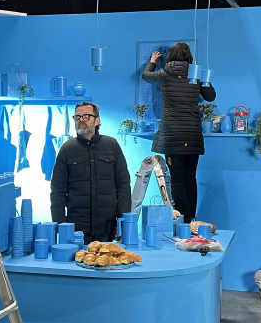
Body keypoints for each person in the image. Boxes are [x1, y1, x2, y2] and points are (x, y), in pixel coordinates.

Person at [140, 43, 216, 222]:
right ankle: (192, 219)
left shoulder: (165, 73)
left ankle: (184, 221)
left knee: (177, 180)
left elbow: (145, 76)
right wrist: (205, 78)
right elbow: (211, 97)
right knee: (190, 179)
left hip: (172, 135)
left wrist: (152, 61)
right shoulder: (196, 75)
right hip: (192, 134)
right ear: (190, 57)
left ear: (170, 56)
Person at [50, 101, 132, 244]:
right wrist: (60, 225)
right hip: (77, 229)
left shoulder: (112, 145)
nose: (81, 120)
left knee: (107, 264)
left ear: (97, 120)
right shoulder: (67, 149)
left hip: (106, 226)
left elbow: (123, 185)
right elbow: (57, 191)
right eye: (78, 117)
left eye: (86, 116)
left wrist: (123, 221)